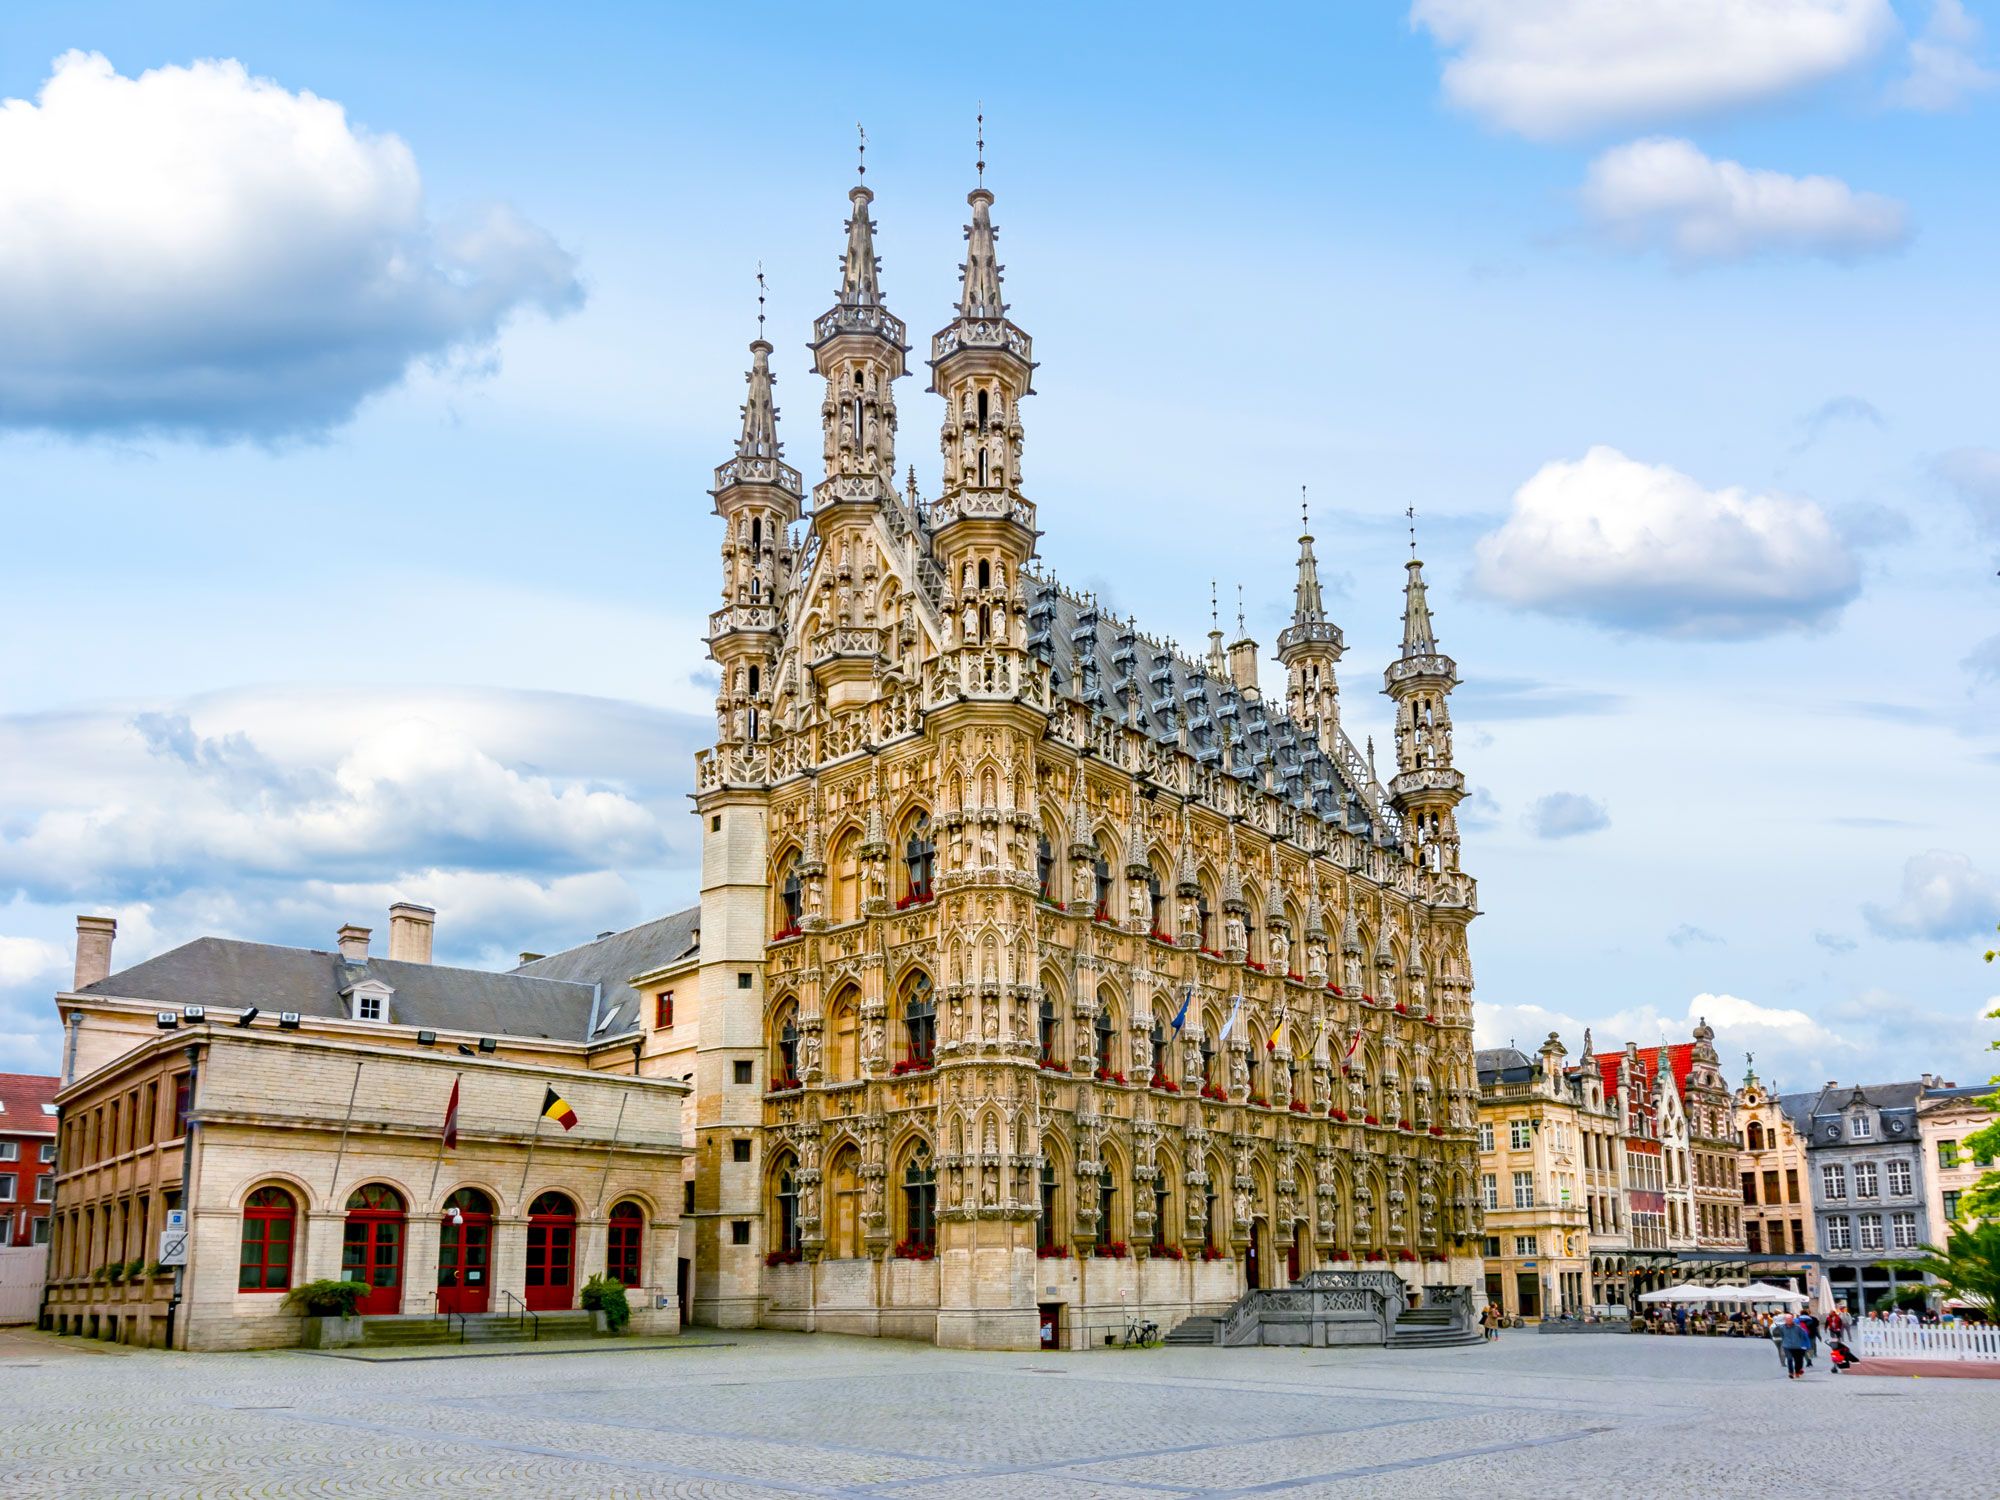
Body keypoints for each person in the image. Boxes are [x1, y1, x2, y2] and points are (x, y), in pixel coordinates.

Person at [1780, 1314, 1810, 1379]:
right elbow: (1781, 1335)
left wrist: (1803, 1344)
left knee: (1797, 1360)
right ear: (1785, 1320)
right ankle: (1791, 1372)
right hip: (1787, 1346)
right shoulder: (1782, 1328)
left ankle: (1797, 1372)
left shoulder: (1798, 1328)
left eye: (1790, 1320)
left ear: (1792, 1320)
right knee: (1789, 1359)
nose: (1788, 1321)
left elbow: (1802, 1335)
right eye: (1787, 1320)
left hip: (1797, 1346)